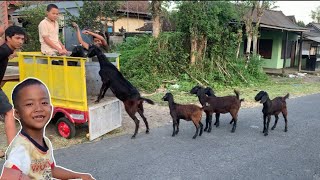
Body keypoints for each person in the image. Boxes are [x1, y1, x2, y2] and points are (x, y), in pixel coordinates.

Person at [0, 78, 94, 180]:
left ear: (51, 108)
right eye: (29, 104)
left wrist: (79, 176)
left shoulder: (45, 142)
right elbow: (8, 176)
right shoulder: (21, 149)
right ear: (17, 113)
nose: (38, 108)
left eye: (44, 103)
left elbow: (51, 170)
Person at [0, 26, 26, 147]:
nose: (20, 41)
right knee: (9, 112)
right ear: (8, 38)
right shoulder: (4, 50)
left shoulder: (7, 50)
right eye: (17, 38)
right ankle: (13, 148)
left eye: (22, 39)